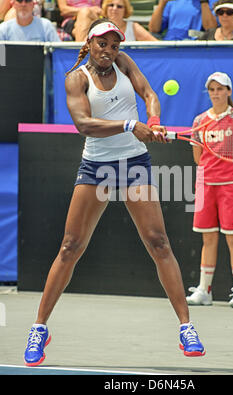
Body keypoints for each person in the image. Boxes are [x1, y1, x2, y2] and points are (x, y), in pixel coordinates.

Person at [23, 18, 205, 367]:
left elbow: (149, 94)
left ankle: (186, 327)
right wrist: (127, 125)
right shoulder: (76, 78)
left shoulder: (123, 62)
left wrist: (152, 122)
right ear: (89, 44)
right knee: (70, 246)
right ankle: (39, 328)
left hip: (134, 164)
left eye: (114, 45)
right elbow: (83, 124)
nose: (108, 51)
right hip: (97, 169)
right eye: (102, 44)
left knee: (159, 243)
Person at [186, 72, 233, 308]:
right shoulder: (199, 121)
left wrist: (232, 177)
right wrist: (211, 174)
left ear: (229, 91)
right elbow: (198, 156)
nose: (216, 93)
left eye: (220, 89)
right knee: (208, 238)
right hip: (205, 185)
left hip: (230, 187)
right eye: (212, 89)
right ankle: (204, 290)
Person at [148, 0, 217, 41]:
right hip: (168, 44)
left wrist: (204, 2)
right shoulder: (172, 2)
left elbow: (211, 29)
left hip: (193, 45)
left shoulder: (211, 2)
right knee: (136, 28)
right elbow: (154, 29)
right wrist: (162, 3)